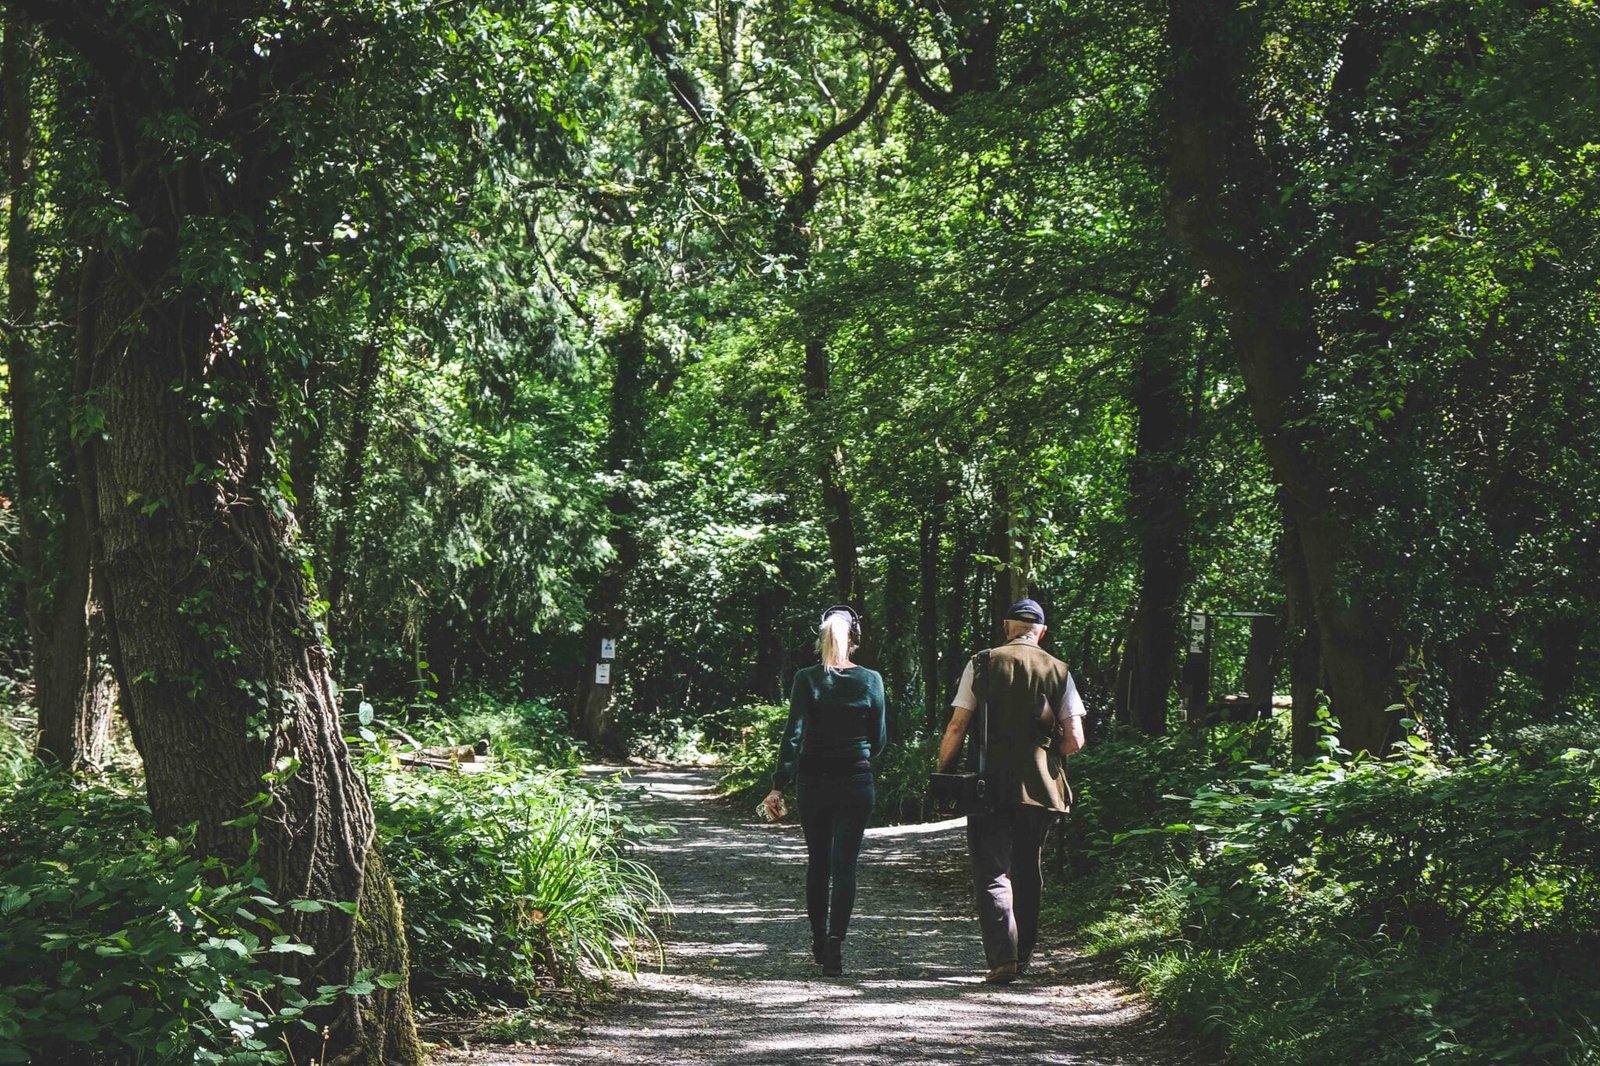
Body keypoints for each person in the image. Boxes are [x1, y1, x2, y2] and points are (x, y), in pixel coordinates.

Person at [936, 597, 1086, 984]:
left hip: (990, 784)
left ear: (1007, 626)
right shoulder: (1059, 670)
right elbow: (1075, 741)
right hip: (1042, 788)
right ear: (1042, 632)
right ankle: (1023, 956)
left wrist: (943, 772)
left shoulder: (983, 662)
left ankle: (1002, 959)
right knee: (1027, 869)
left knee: (992, 871)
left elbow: (957, 725)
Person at [762, 605, 887, 977]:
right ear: (855, 640)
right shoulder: (871, 680)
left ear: (821, 639)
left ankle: (818, 939)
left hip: (814, 782)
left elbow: (794, 735)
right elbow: (879, 740)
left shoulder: (806, 679)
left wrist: (778, 785)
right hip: (856, 781)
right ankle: (835, 945)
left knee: (818, 863)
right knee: (844, 865)